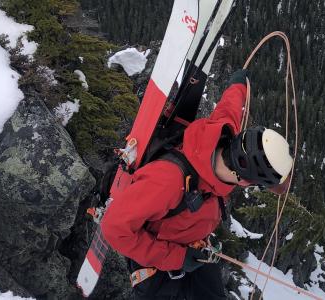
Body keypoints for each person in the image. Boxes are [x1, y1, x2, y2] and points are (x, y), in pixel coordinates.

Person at [101, 69, 294, 300]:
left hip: (196, 246)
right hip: (159, 260)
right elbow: (114, 228)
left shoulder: (223, 134)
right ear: (244, 180)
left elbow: (229, 108)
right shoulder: (167, 181)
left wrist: (238, 86)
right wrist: (177, 258)